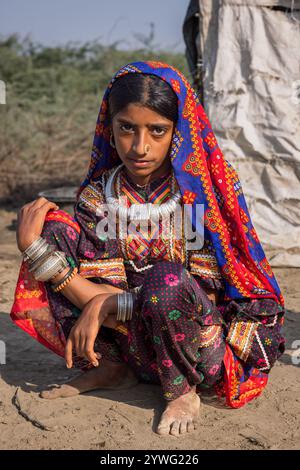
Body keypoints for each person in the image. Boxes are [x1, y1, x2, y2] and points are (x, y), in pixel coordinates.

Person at [11, 61, 285, 437]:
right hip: (135, 346)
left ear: (178, 133)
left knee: (167, 279)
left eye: (157, 131)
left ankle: (183, 392)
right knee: (52, 228)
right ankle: (109, 367)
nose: (140, 147)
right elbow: (98, 287)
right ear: (111, 128)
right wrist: (32, 246)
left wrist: (108, 302)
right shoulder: (98, 196)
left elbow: (198, 296)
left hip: (197, 351)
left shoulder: (197, 196)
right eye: (127, 128)